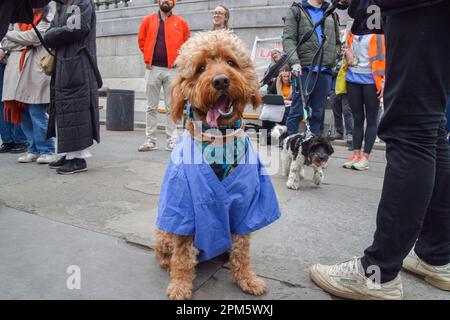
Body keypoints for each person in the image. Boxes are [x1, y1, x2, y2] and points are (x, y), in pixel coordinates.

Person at [310, 0, 450, 300]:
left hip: (420, 12)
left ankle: (378, 274)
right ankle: (436, 256)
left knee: (412, 129)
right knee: (431, 128)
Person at [44, 0, 102, 175]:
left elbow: (75, 29)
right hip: (66, 65)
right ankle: (68, 154)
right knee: (65, 110)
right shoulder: (65, 6)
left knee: (76, 110)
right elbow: (51, 30)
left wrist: (52, 34)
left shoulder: (80, 2)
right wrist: (52, 34)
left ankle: (77, 158)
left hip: (78, 65)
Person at [1, 6, 56, 164]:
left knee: (37, 113)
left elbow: (37, 37)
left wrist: (10, 34)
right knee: (24, 113)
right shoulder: (16, 15)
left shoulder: (48, 14)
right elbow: (5, 42)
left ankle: (47, 150)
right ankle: (33, 149)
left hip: (35, 69)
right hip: (16, 70)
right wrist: (25, 41)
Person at [137, 0, 190, 152]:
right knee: (150, 107)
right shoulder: (148, 20)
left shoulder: (181, 22)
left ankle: (172, 140)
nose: (166, 1)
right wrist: (148, 57)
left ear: (174, 3)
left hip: (173, 70)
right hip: (152, 68)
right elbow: (141, 40)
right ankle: (150, 140)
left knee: (171, 107)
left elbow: (187, 43)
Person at [283, 0, 341, 136]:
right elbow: (289, 39)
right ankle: (290, 145)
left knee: (318, 113)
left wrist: (334, 56)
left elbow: (337, 41)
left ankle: (312, 147)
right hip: (304, 69)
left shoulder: (331, 12)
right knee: (297, 110)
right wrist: (294, 62)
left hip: (325, 70)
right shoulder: (297, 10)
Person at [342, 32, 385, 171]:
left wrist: (384, 82)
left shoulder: (379, 34)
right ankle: (356, 154)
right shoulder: (351, 32)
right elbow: (343, 49)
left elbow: (385, 57)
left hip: (372, 81)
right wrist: (345, 53)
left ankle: (365, 157)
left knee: (371, 119)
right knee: (357, 118)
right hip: (352, 78)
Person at [0, 47, 28, 154]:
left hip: (15, 56)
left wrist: (4, 49)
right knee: (3, 100)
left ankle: (20, 139)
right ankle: (7, 140)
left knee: (15, 98)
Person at [262, 65, 292, 145]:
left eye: (288, 76)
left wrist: (288, 102)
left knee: (284, 113)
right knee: (266, 115)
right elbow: (270, 92)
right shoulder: (277, 82)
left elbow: (297, 98)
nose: (286, 78)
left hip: (291, 105)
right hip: (279, 104)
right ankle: (266, 139)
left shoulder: (295, 83)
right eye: (284, 76)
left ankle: (282, 140)